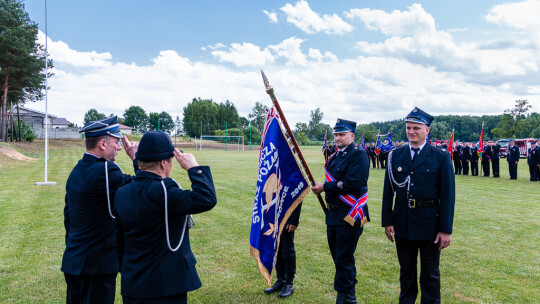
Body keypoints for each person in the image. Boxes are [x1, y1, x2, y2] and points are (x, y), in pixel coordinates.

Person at [114, 131, 217, 304]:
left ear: (140, 161)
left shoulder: (123, 191)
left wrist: (137, 161)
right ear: (163, 163)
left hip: (133, 283)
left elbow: (118, 240)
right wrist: (194, 168)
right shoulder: (166, 192)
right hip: (166, 286)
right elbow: (206, 199)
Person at [381, 107, 455, 304]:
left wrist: (445, 230)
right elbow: (388, 192)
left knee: (430, 274)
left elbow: (448, 196)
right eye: (408, 128)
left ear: (427, 130)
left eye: (416, 128)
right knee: (406, 272)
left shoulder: (440, 157)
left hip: (430, 223)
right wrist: (387, 221)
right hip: (402, 222)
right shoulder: (395, 156)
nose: (411, 132)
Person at [62, 116, 139, 304]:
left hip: (74, 260)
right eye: (117, 142)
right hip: (97, 265)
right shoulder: (106, 171)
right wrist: (137, 159)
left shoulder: (77, 170)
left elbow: (68, 218)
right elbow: (141, 189)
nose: (120, 147)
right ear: (103, 144)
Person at [311, 118, 370, 304]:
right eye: (336, 134)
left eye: (342, 134)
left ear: (352, 136)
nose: (337, 138)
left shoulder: (358, 155)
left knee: (344, 258)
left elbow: (352, 183)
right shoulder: (335, 156)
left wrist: (325, 187)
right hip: (334, 214)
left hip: (350, 214)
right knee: (338, 257)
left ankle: (345, 298)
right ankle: (349, 294)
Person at [263, 202, 302, 298]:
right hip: (274, 213)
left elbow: (298, 193)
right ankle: (281, 280)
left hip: (288, 213)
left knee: (287, 248)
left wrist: (293, 219)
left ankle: (289, 283)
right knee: (277, 247)